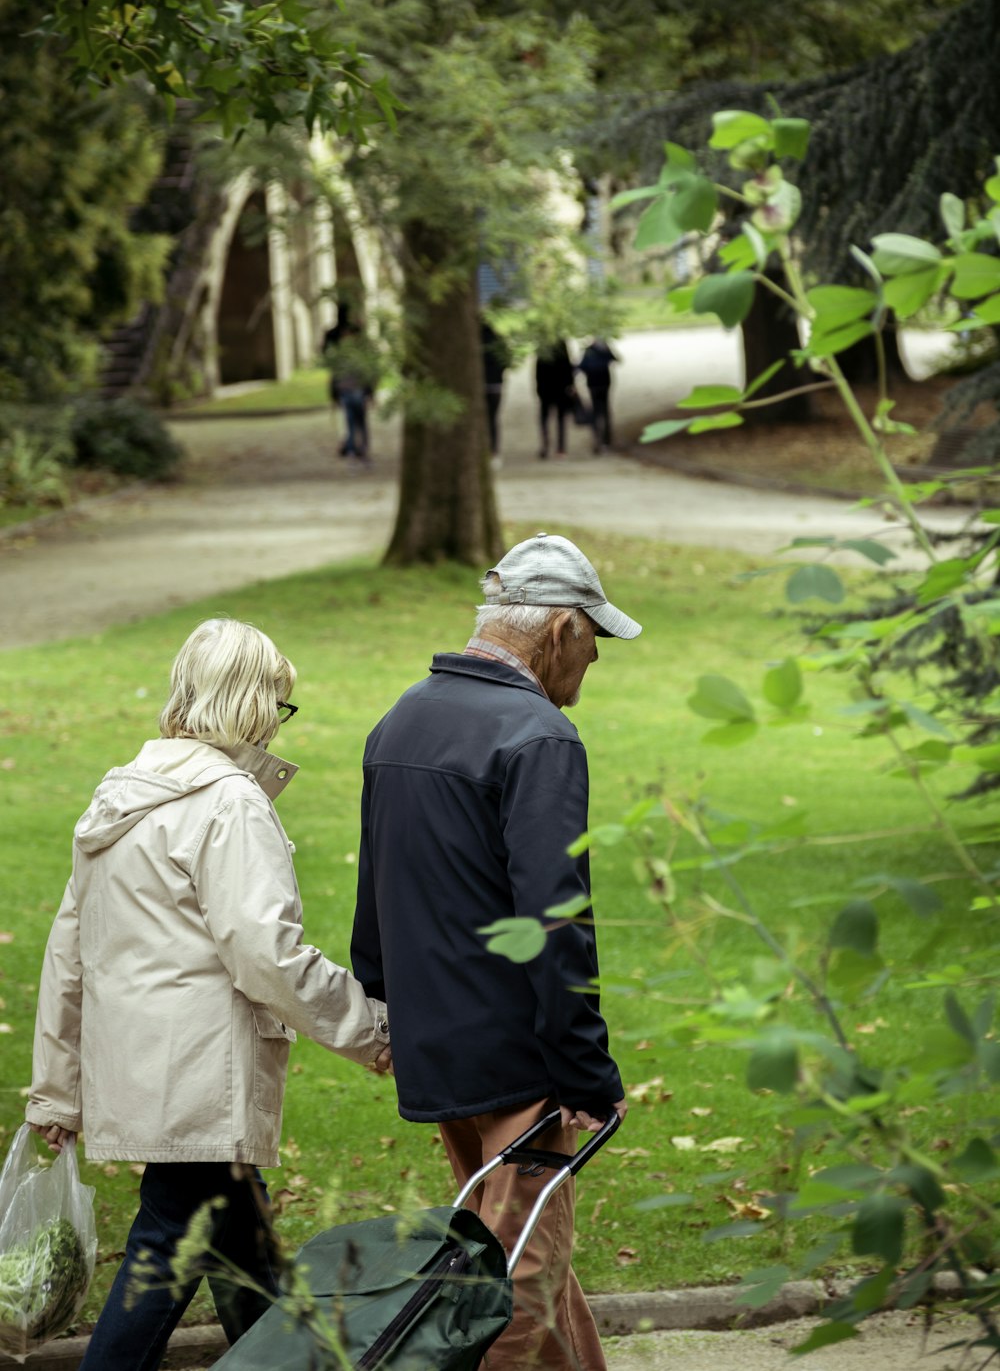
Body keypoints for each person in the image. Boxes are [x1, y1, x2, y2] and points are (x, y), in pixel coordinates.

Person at [26, 619, 391, 1371]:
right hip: (201, 1081)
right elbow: (269, 956)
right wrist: (376, 1032)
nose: (277, 721)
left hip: (148, 1073)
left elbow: (70, 951)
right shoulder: (230, 803)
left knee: (246, 1262)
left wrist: (57, 1090)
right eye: (279, 704)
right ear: (252, 702)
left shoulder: (118, 798)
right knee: (165, 1254)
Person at [351, 532, 640, 1370]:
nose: (593, 665)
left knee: (510, 1252)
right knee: (517, 1280)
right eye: (595, 642)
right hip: (517, 1058)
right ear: (560, 633)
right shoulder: (538, 735)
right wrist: (586, 1068)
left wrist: (386, 1010)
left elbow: (376, 895)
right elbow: (557, 920)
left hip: (439, 1050)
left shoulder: (401, 716)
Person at [323, 314, 377, 465]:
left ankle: (361, 451)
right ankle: (354, 452)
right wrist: (334, 396)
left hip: (356, 393)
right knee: (352, 425)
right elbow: (335, 377)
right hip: (347, 393)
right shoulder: (344, 355)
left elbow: (367, 375)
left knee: (359, 424)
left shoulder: (356, 355)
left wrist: (370, 393)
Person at [534, 339, 576, 459]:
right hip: (558, 389)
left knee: (546, 419)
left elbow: (538, 370)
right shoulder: (559, 344)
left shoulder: (545, 345)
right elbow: (568, 368)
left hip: (550, 390)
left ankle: (547, 446)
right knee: (559, 419)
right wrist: (571, 385)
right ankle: (559, 448)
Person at [578, 338, 618, 454]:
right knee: (604, 411)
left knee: (597, 412)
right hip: (602, 384)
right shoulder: (603, 350)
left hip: (595, 385)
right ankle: (605, 439)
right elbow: (615, 360)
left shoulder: (591, 350)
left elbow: (582, 366)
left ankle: (600, 438)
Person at [481, 316, 510, 465]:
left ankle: (486, 451)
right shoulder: (498, 341)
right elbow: (507, 361)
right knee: (492, 419)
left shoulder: (474, 341)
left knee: (481, 420)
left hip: (481, 386)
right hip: (495, 386)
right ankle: (493, 451)